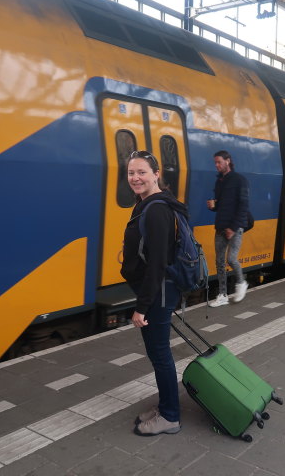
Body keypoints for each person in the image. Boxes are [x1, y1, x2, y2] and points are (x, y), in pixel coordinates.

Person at [121, 150, 184, 436]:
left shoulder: (157, 208)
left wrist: (142, 307)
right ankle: (164, 406)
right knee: (158, 353)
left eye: (142, 172)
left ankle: (170, 416)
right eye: (131, 172)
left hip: (157, 293)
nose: (135, 177)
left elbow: (158, 264)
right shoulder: (147, 203)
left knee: (160, 355)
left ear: (156, 174)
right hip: (155, 291)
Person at [207, 150, 249, 307]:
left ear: (228, 161)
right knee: (219, 261)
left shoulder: (240, 180)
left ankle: (241, 283)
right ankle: (222, 295)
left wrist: (233, 227)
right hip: (220, 227)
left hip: (235, 228)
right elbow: (222, 205)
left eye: (219, 162)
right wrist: (213, 206)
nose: (217, 165)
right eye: (215, 163)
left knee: (231, 259)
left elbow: (243, 206)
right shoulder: (219, 182)